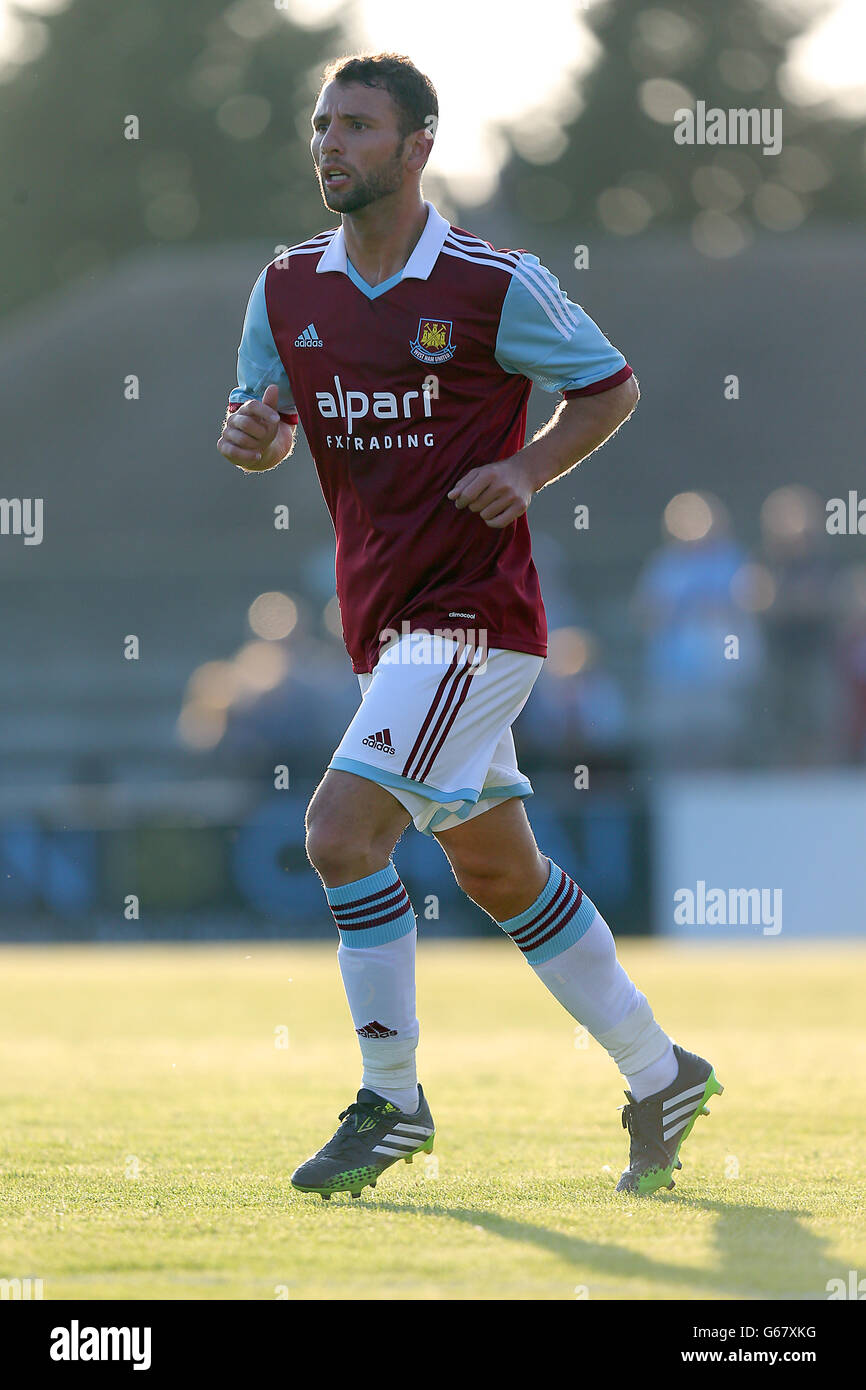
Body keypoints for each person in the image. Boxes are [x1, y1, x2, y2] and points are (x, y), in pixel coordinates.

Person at [216, 52, 722, 1200]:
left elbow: (609, 385)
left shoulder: (494, 284)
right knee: (499, 871)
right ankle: (660, 1071)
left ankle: (390, 1103)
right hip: (381, 632)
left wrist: (529, 465)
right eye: (320, 126)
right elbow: (261, 413)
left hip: (471, 623)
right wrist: (251, 435)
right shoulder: (287, 286)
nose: (329, 145)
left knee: (341, 835)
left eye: (355, 126)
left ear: (415, 148)